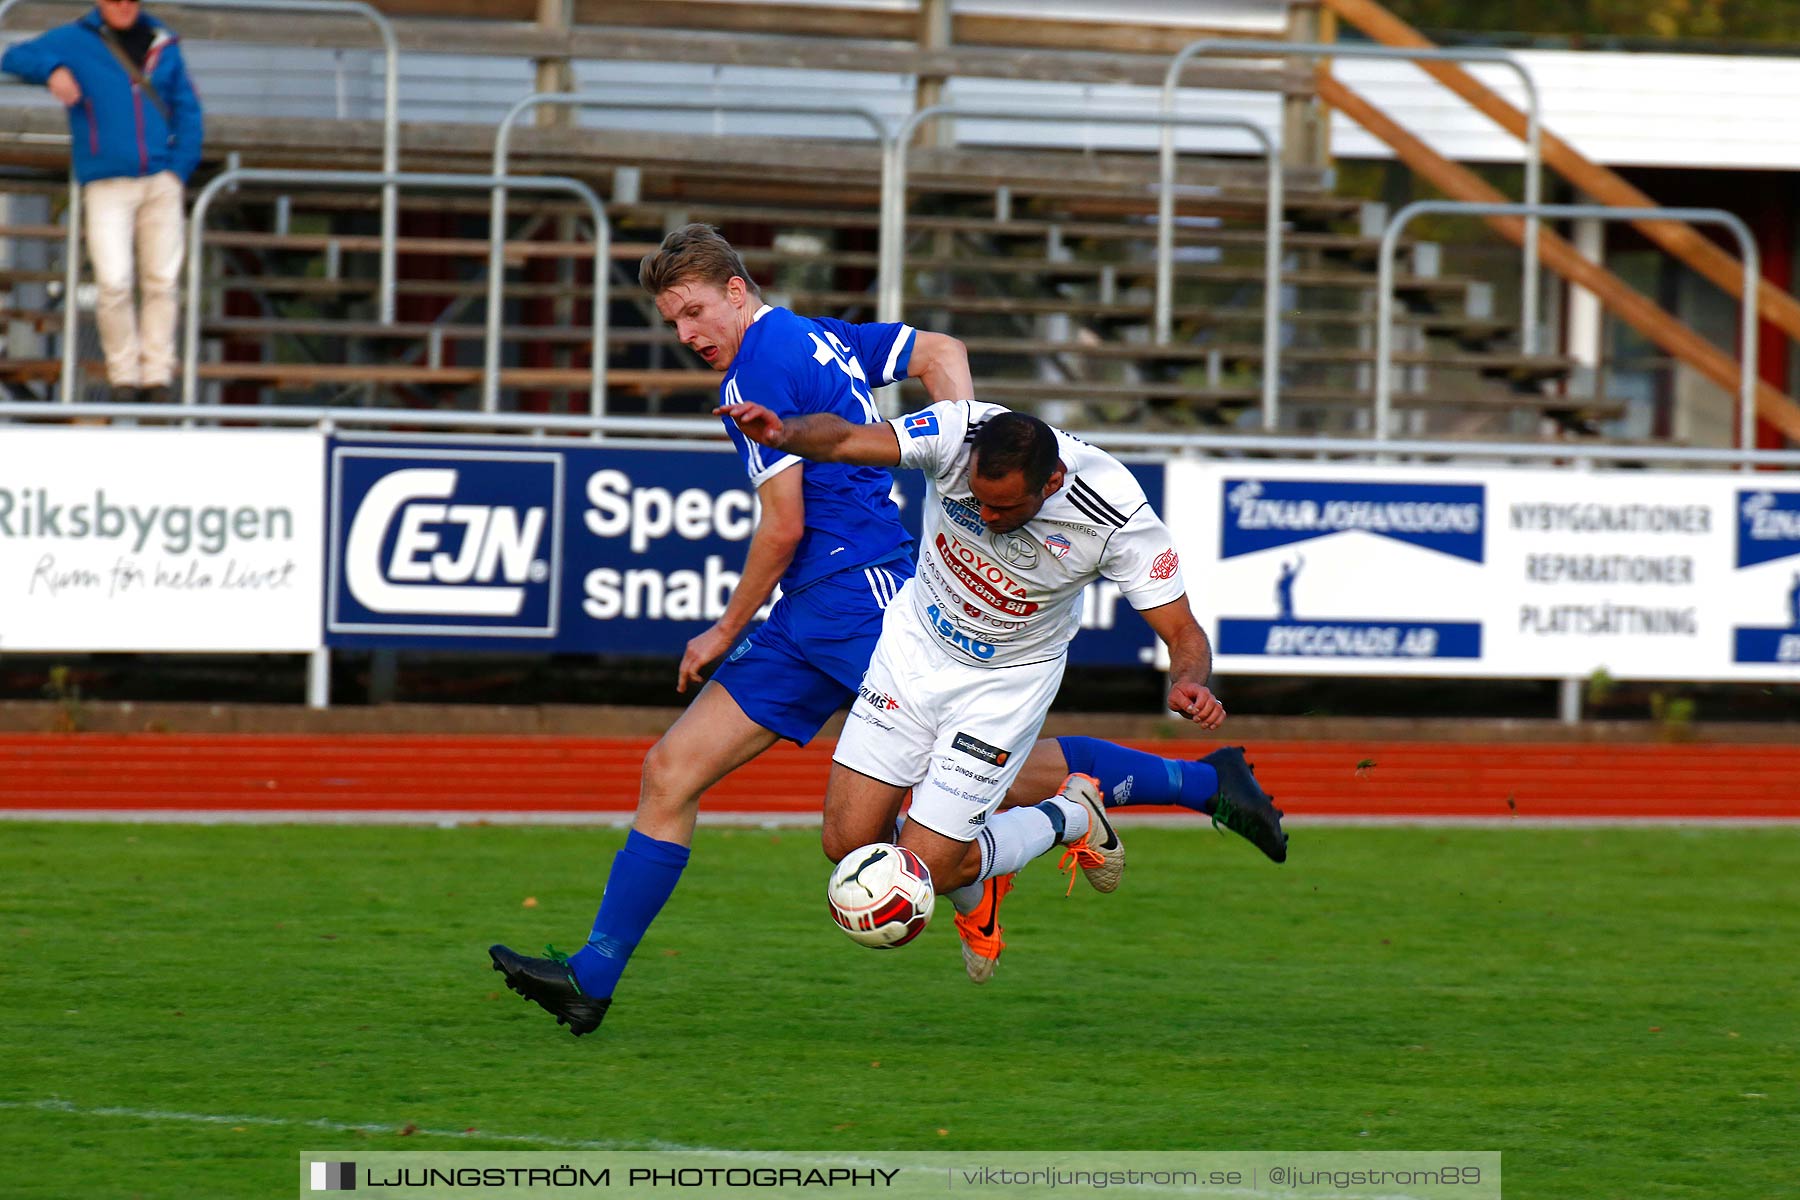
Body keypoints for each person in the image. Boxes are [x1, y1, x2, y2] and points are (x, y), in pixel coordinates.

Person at [489, 225, 1285, 1037]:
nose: (688, 334)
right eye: (673, 322)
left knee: (993, 774)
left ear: (737, 290)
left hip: (859, 592)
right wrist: (962, 436)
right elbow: (940, 348)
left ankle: (1180, 791)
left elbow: (783, 524)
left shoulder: (760, 365)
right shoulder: (812, 334)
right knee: (674, 771)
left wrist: (724, 627)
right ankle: (592, 975)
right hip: (811, 608)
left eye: (694, 312)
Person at [713, 393, 1286, 959]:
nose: (986, 519)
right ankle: (1028, 843)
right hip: (912, 650)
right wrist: (784, 433)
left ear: (1052, 481)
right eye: (978, 503)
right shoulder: (956, 435)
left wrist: (1190, 681)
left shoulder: (1117, 518)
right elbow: (842, 439)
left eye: (1005, 509)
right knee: (846, 844)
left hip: (1003, 686)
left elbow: (1184, 633)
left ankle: (1069, 814)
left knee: (926, 870)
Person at [2, 0, 203, 402]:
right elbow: (13, 55)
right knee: (114, 282)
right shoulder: (75, 40)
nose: (124, 5)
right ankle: (123, 375)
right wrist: (53, 70)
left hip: (160, 180)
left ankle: (157, 376)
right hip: (107, 181)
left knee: (162, 281)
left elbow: (187, 109)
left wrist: (177, 169)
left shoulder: (163, 41)